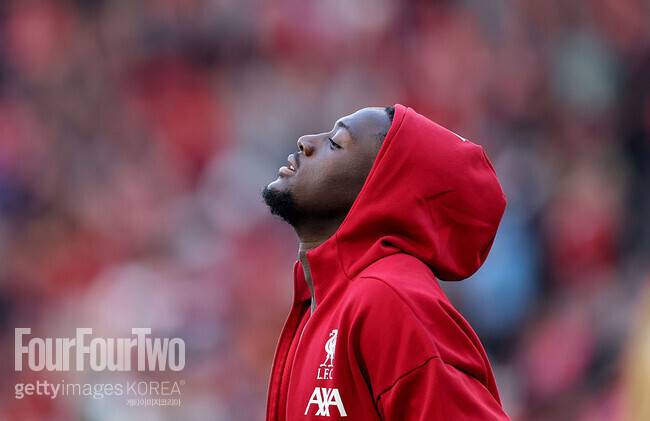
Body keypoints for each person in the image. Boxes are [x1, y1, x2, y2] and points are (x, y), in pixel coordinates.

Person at [262, 104, 509, 420]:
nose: (306, 141)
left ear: (379, 189)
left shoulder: (389, 298)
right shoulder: (330, 298)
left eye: (336, 143)